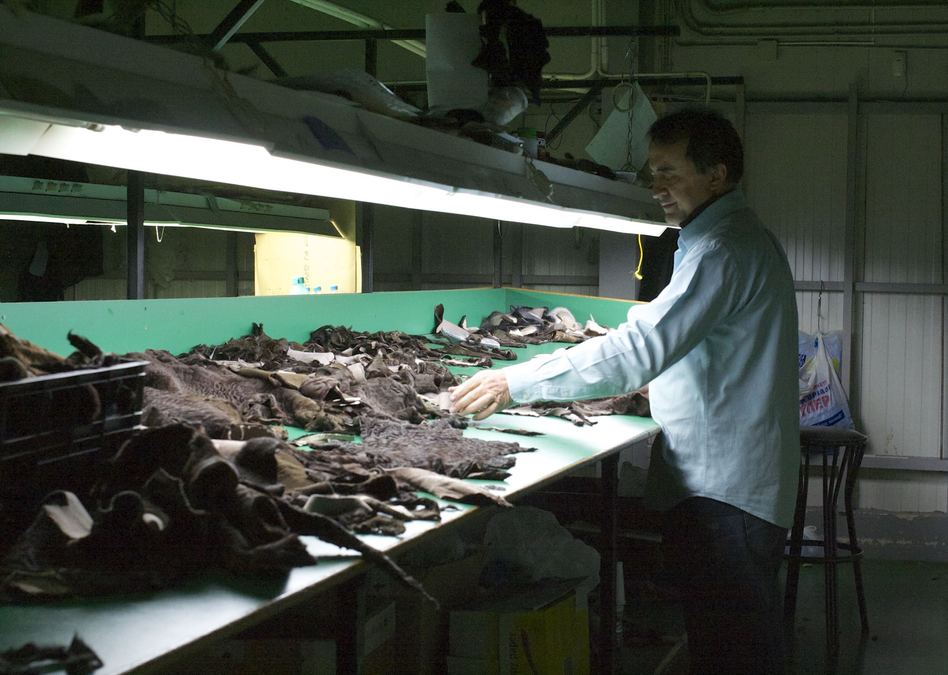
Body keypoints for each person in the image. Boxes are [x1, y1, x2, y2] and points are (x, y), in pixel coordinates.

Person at [450, 108, 799, 674]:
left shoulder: (721, 251)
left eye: (669, 171)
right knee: (732, 642)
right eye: (650, 172)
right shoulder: (725, 238)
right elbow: (702, 349)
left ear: (718, 174)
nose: (655, 186)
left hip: (727, 492)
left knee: (735, 651)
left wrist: (515, 380)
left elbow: (641, 350)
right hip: (734, 479)